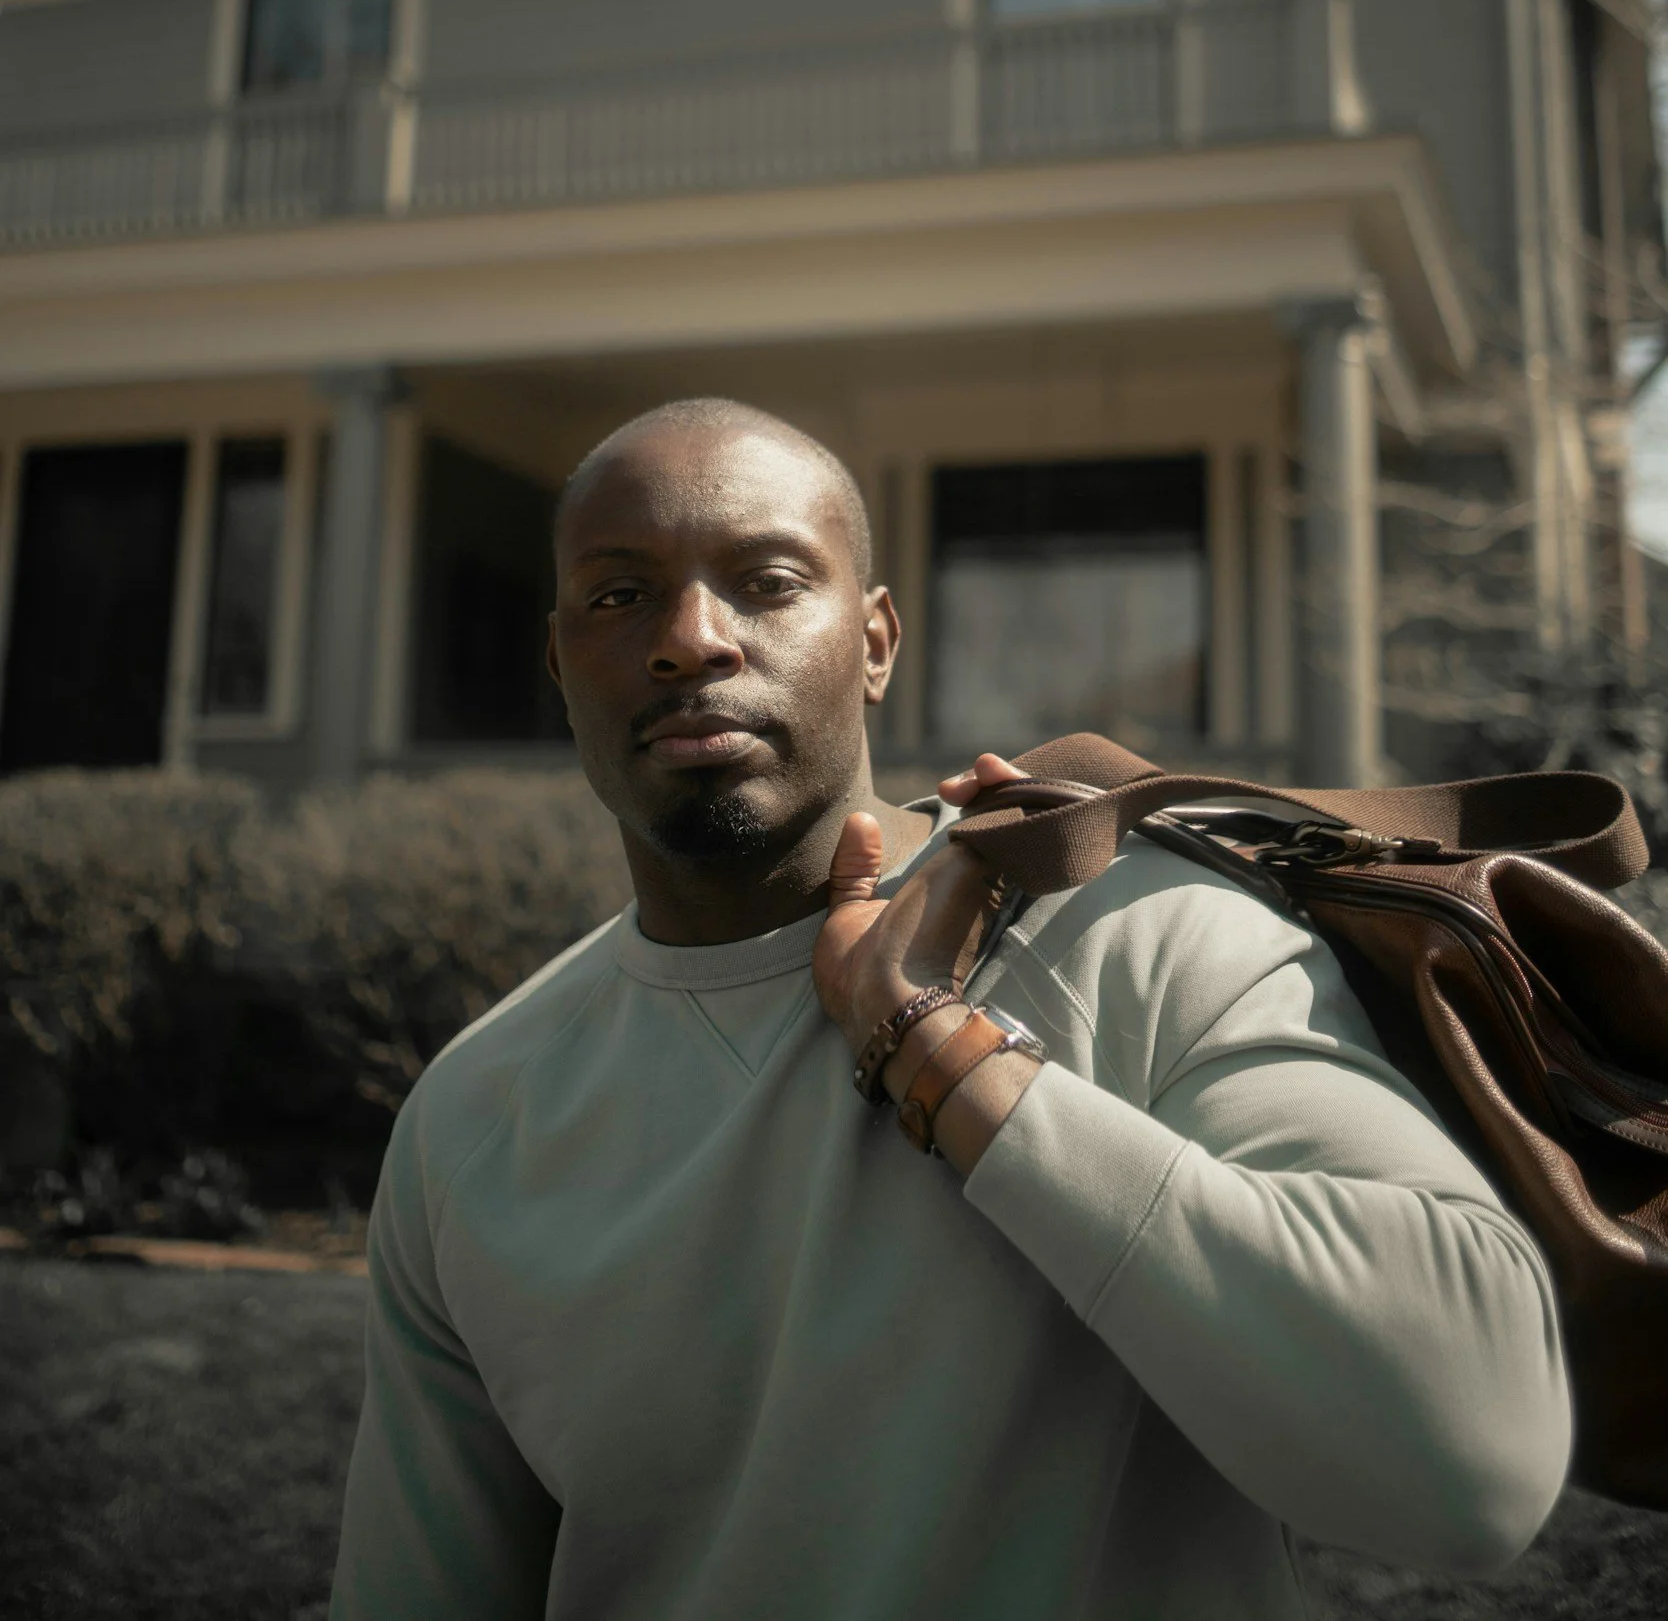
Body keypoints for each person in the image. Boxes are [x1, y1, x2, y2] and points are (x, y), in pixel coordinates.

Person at [330, 397, 1570, 1621]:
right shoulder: (471, 1122)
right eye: (619, 595)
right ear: (560, 662)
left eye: (765, 581)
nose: (690, 638)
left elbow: (1478, 1461)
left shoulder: (1140, 933)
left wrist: (947, 1060)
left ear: (875, 642)